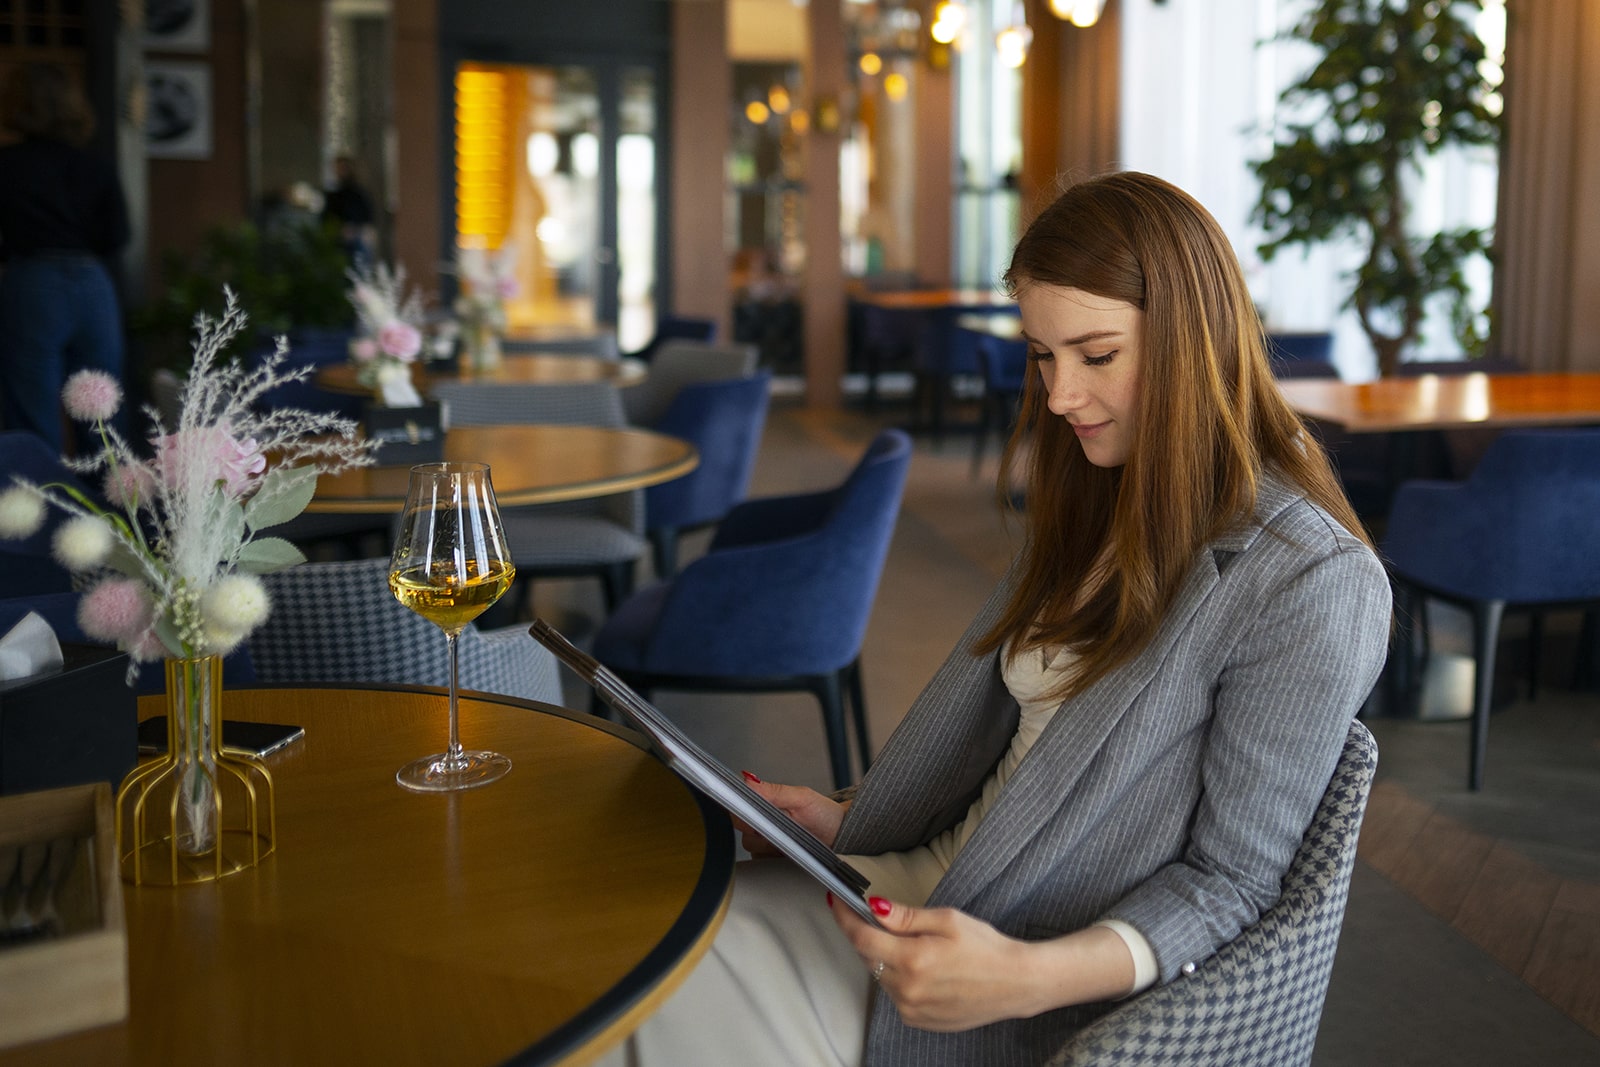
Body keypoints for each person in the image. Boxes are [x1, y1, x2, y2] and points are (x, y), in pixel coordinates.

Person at [601, 171, 1392, 1066]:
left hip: (1020, 967)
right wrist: (838, 821)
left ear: (1194, 341)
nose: (1058, 397)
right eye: (1043, 356)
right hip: (916, 895)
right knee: (628, 943)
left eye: (1096, 356)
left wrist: (1024, 975)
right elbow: (1014, 759)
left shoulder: (1308, 581)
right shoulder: (1106, 497)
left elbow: (1234, 883)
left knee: (643, 996)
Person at [0, 63, 130, 452]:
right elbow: (118, 236)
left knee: (32, 416)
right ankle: (112, 509)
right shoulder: (97, 164)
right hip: (93, 284)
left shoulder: (6, 164)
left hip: (33, 282)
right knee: (103, 416)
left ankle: (42, 509)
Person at [321, 154, 377, 267]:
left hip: (357, 238)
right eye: (338, 168)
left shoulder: (358, 193)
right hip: (338, 239)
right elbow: (326, 218)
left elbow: (367, 216)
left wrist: (355, 229)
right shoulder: (333, 195)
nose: (340, 171)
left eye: (343, 168)